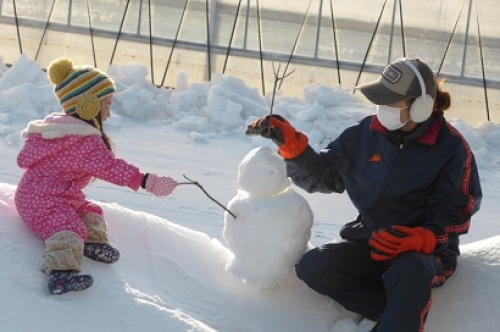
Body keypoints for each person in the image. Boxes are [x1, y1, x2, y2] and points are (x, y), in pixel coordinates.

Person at [245, 57, 482, 331]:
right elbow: (327, 175)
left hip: (424, 253)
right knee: (315, 266)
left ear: (421, 106)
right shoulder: (365, 134)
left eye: (392, 101)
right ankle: (398, 312)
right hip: (372, 240)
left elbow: (457, 210)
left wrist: (426, 237)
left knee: (409, 269)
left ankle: (400, 318)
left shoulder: (451, 149)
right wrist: (293, 146)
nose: (383, 108)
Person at [15, 57, 179, 295]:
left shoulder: (58, 130)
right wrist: (147, 181)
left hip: (49, 194)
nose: (109, 114)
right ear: (87, 106)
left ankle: (92, 243)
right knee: (68, 226)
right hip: (44, 199)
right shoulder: (82, 141)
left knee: (91, 210)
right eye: (106, 105)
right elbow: (110, 167)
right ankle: (60, 273)